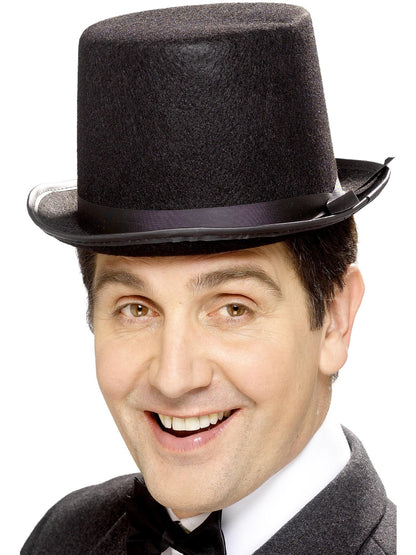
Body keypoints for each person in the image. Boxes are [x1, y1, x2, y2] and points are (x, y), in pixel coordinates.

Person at [22, 3, 396, 554]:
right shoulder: (64, 537)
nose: (174, 379)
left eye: (232, 308)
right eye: (136, 308)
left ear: (336, 320)